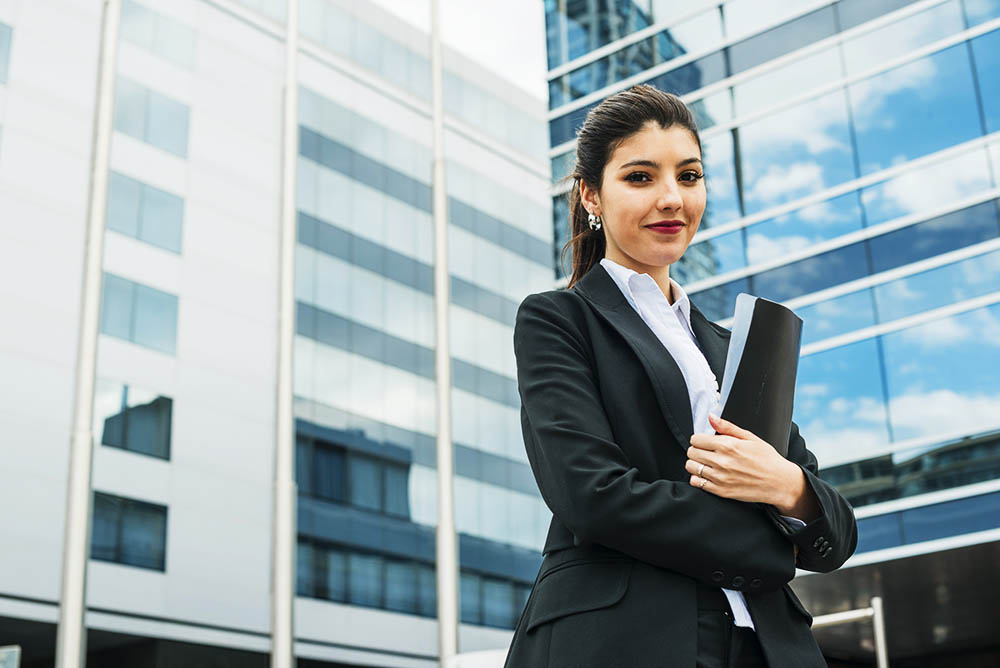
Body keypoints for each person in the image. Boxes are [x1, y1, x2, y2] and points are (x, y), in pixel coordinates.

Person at [504, 84, 858, 668]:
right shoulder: (558, 320)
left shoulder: (733, 347)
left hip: (769, 647)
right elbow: (590, 495)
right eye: (640, 177)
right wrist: (768, 550)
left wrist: (787, 487)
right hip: (626, 639)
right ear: (591, 194)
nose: (672, 198)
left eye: (689, 176)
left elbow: (836, 533)